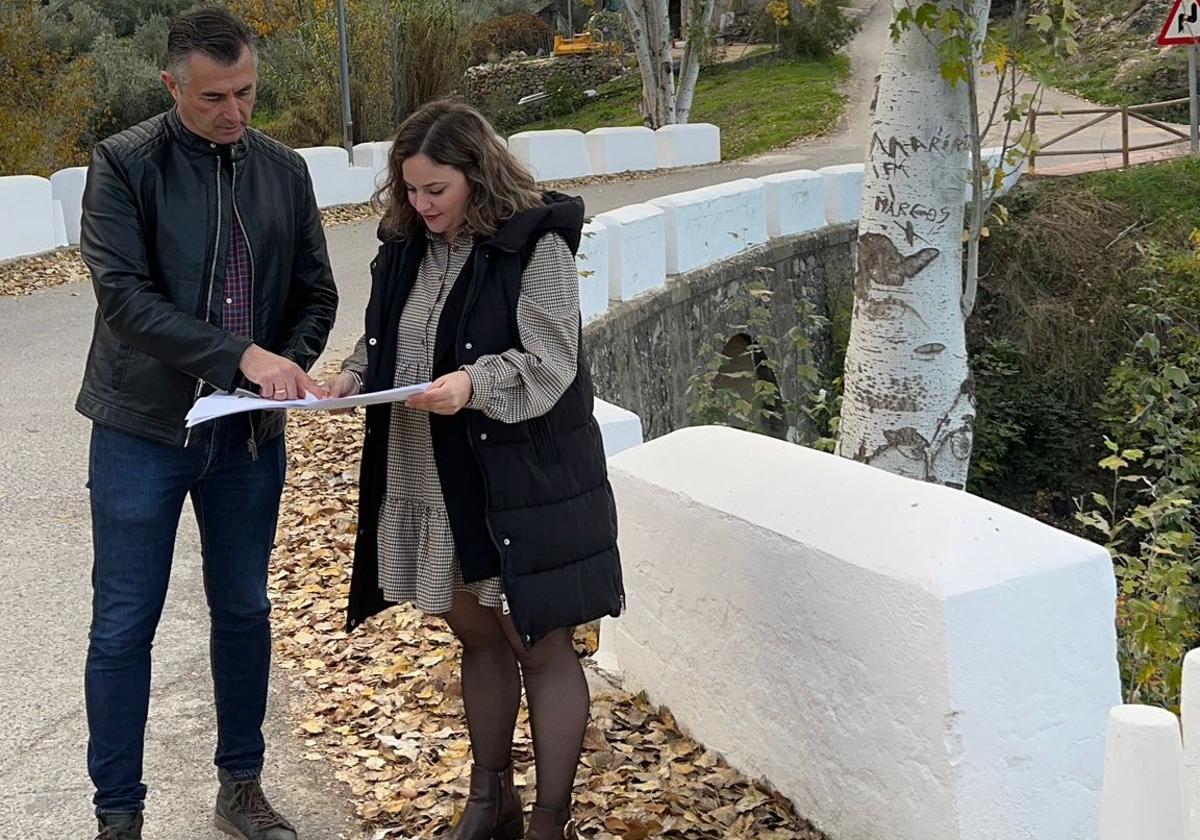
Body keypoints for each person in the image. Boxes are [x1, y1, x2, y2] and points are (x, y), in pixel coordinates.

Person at [328, 99, 623, 840]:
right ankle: (490, 802)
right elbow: (386, 337)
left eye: (437, 190)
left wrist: (471, 385)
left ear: (477, 175)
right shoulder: (405, 245)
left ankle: (550, 819)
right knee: (476, 635)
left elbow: (550, 363)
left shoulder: (536, 246)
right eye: (412, 190)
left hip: (519, 482)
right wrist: (350, 376)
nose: (422, 205)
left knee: (540, 644)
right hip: (431, 475)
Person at [76, 7, 338, 840]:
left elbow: (316, 292)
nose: (234, 114)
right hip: (141, 431)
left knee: (245, 610)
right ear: (171, 86)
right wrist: (241, 358)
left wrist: (282, 370)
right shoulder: (122, 162)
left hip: (248, 438)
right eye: (212, 98)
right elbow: (123, 301)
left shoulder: (283, 169)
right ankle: (118, 815)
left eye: (247, 93)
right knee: (124, 624)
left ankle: (242, 787)